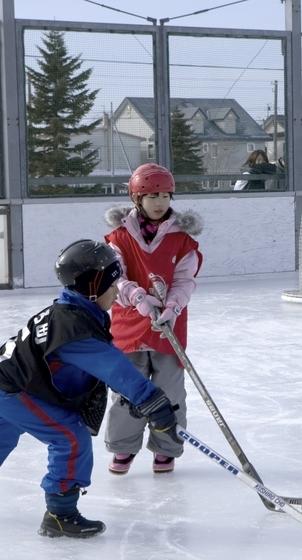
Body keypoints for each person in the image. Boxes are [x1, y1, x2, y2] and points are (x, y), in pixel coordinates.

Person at [0, 240, 181, 539]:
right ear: (91, 287)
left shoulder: (76, 311)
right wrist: (153, 403)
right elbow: (114, 366)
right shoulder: (73, 328)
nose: (116, 293)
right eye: (111, 286)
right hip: (17, 390)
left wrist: (137, 399)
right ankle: (60, 514)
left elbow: (98, 364)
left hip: (10, 382)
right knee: (70, 437)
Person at [103, 164, 203, 475]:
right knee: (127, 391)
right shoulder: (119, 237)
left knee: (170, 392)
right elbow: (115, 276)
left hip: (168, 327)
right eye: (151, 196)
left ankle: (166, 448)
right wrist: (136, 297)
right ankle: (123, 447)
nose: (159, 202)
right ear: (137, 199)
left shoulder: (182, 239)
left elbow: (185, 280)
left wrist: (173, 306)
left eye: (165, 196)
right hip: (129, 327)